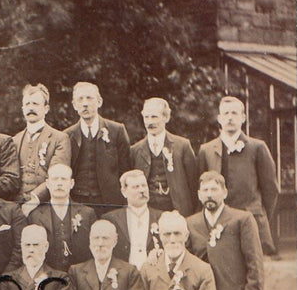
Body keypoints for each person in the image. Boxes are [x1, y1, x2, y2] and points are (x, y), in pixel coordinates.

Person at [197, 95, 279, 255]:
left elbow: (270, 189)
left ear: (243, 118)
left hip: (250, 221)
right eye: (226, 114)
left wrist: (258, 214)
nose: (230, 118)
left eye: (234, 113)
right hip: (217, 223)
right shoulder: (206, 150)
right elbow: (200, 188)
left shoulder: (257, 147)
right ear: (219, 118)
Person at [63, 82, 133, 213]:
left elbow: (126, 171)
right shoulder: (67, 135)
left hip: (109, 203)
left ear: (99, 102)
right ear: (74, 105)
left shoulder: (116, 131)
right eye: (80, 99)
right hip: (77, 202)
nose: (85, 103)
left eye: (89, 98)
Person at [130, 97, 198, 216]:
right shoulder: (135, 150)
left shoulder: (182, 146)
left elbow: (193, 184)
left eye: (154, 117)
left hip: (176, 211)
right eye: (146, 117)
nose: (150, 122)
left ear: (166, 117)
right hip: (147, 212)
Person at [11, 84, 71, 215]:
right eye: (27, 104)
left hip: (45, 206)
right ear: (22, 108)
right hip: (16, 208)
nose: (31, 108)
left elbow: (57, 176)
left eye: (35, 104)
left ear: (46, 108)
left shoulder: (60, 139)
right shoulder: (14, 140)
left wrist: (33, 201)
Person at [27, 164, 96, 272]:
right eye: (55, 179)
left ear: (72, 183)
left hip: (80, 277)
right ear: (48, 184)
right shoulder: (35, 215)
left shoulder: (87, 214)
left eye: (63, 179)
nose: (59, 183)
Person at [103, 170, 162, 269]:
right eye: (136, 187)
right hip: (123, 277)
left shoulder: (161, 217)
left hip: (153, 275)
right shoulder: (111, 220)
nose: (142, 190)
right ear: (124, 192)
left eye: (144, 185)